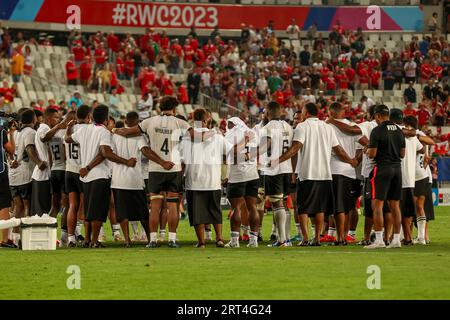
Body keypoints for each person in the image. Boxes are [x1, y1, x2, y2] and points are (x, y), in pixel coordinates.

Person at [275, 103, 357, 246]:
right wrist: (350, 160)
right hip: (325, 174)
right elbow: (338, 150)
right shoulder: (327, 128)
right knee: (319, 208)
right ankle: (317, 239)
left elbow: (296, 147)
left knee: (302, 208)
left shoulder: (302, 126)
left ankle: (306, 239)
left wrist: (279, 159)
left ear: (306, 113)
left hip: (308, 173)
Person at [114, 96, 189, 248]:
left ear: (160, 107)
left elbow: (128, 132)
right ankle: (172, 239)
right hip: (173, 168)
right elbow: (195, 137)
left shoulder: (150, 121)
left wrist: (115, 129)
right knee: (172, 206)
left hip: (155, 169)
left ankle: (153, 240)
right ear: (174, 109)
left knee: (155, 206)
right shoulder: (181, 123)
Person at [65, 105, 137, 248]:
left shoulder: (84, 129)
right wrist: (126, 161)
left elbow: (67, 139)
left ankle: (87, 240)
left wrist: (68, 127)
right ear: (105, 119)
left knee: (89, 210)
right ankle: (94, 241)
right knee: (98, 212)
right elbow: (105, 152)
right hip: (99, 175)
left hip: (86, 177)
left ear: (91, 117)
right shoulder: (103, 132)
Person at [179, 108, 232, 248]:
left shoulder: (186, 137)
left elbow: (182, 159)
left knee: (197, 214)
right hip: (213, 180)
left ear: (193, 119)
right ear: (207, 119)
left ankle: (201, 242)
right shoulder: (217, 136)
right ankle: (219, 239)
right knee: (215, 210)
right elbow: (230, 153)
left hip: (194, 180)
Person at [365, 105, 406, 249]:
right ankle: (396, 239)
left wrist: (368, 151)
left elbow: (372, 154)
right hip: (397, 169)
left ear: (377, 116)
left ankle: (379, 240)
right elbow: (402, 154)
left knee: (378, 205)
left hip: (382, 169)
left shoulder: (377, 130)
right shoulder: (399, 131)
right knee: (395, 205)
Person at [111, 112, 151, 247]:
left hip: (118, 180)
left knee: (122, 213)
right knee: (143, 213)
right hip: (135, 180)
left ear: (126, 121)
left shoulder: (115, 136)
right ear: (138, 122)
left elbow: (109, 154)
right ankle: (150, 239)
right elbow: (146, 153)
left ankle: (127, 240)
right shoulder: (140, 137)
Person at [327, 102, 365, 245]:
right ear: (342, 112)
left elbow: (337, 149)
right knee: (349, 207)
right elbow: (366, 143)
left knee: (338, 208)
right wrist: (356, 160)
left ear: (331, 112)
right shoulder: (351, 126)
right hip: (350, 172)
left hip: (335, 169)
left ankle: (340, 238)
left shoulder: (328, 126)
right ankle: (345, 236)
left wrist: (351, 160)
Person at [258, 101, 293, 247]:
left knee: (276, 203)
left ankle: (282, 240)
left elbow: (266, 145)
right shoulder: (289, 127)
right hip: (287, 168)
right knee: (284, 203)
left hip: (273, 169)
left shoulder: (267, 128)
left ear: (267, 112)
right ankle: (287, 238)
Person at [390, 109, 424, 245]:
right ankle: (408, 237)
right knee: (408, 211)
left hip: (398, 176)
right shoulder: (412, 135)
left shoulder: (393, 133)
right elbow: (421, 149)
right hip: (410, 178)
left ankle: (395, 237)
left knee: (395, 209)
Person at [224, 117, 259, 248]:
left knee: (236, 208)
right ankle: (254, 240)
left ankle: (234, 241)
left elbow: (231, 151)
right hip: (252, 174)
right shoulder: (252, 133)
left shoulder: (230, 135)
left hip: (237, 175)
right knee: (252, 207)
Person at [8, 109, 39, 245]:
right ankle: (26, 237)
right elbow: (29, 150)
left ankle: (15, 238)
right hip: (25, 173)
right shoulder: (30, 132)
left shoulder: (16, 132)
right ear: (33, 119)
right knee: (27, 205)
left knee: (17, 207)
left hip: (13, 175)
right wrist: (40, 162)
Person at [31, 108, 64, 217]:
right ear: (48, 118)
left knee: (44, 209)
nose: (58, 120)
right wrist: (58, 127)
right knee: (42, 211)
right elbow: (44, 138)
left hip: (42, 175)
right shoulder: (44, 128)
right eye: (56, 118)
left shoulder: (43, 128)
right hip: (43, 175)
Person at [0, 120, 15, 247]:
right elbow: (11, 150)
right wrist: (12, 133)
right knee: (3, 205)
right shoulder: (2, 131)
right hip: (0, 172)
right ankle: (4, 239)